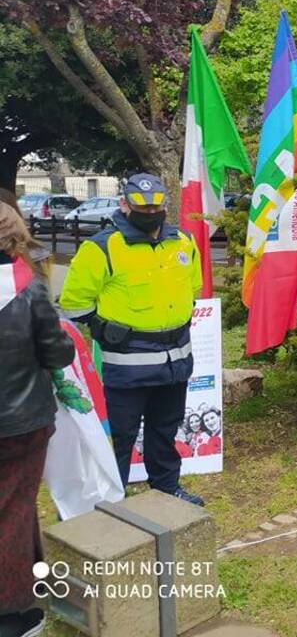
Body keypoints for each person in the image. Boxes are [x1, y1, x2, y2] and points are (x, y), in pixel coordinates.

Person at [60, 174, 205, 506]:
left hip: (175, 360)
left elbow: (191, 288)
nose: (150, 212)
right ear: (124, 204)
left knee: (165, 429)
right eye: (142, 206)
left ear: (165, 205)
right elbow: (72, 302)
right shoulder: (101, 248)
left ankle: (166, 489)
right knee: (120, 436)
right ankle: (112, 500)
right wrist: (100, 326)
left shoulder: (183, 241)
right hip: (128, 364)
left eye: (156, 206)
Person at [0, 203, 75, 637]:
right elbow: (56, 353)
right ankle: (14, 613)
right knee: (13, 509)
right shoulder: (28, 288)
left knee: (17, 507)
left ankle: (32, 577)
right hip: (20, 425)